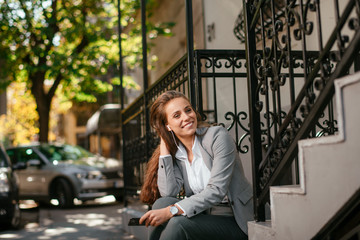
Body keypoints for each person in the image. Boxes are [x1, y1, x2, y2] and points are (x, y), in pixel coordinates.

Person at [139, 90, 254, 240]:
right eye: (177, 115)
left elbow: (217, 190)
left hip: (234, 219)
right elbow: (168, 193)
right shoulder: (178, 152)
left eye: (188, 110)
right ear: (167, 126)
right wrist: (164, 145)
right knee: (162, 203)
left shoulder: (217, 137)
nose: (186, 117)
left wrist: (172, 211)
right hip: (203, 214)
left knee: (178, 223)